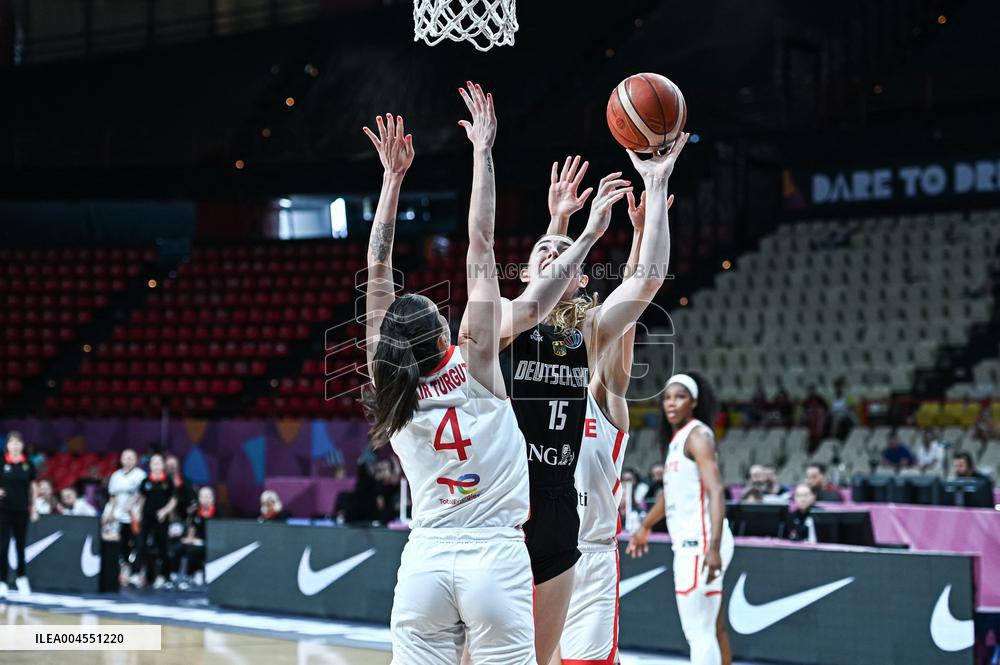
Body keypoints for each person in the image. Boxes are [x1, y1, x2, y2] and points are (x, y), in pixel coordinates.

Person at [488, 130, 687, 663]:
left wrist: (656, 178)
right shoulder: (501, 326)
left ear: (578, 279)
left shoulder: (590, 342)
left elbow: (645, 283)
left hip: (573, 540)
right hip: (501, 528)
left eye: (565, 259)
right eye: (542, 256)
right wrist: (559, 226)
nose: (555, 259)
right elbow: (536, 298)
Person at [361, 84, 535, 664]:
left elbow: (378, 265)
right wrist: (483, 150)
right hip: (495, 561)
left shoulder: (390, 384)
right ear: (444, 336)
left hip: (426, 562)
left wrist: (390, 182)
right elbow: (480, 245)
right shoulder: (477, 363)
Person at [558, 186, 674, 664]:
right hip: (530, 548)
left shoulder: (605, 393)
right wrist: (559, 225)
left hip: (588, 555)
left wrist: (642, 231)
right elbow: (539, 299)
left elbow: (633, 304)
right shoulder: (528, 385)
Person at [628, 373, 733, 665]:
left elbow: (715, 490)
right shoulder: (678, 441)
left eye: (680, 396)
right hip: (696, 542)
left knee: (698, 631)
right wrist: (646, 526)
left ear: (695, 402)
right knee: (711, 627)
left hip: (700, 543)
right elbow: (670, 495)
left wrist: (713, 548)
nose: (671, 403)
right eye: (667, 397)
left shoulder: (698, 436)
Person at [0, 431, 38, 597]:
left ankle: (21, 579)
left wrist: (34, 508)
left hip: (22, 510)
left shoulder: (28, 464)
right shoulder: (1, 462)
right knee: (3, 546)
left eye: (18, 443)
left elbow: (33, 487)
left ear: (22, 446)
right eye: (12, 442)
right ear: (7, 445)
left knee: (21, 546)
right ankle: (2, 582)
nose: (15, 446)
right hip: (3, 510)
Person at [136, 453, 176, 588]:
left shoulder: (168, 481)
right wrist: (139, 514)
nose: (157, 465)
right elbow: (141, 499)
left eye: (159, 462)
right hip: (147, 517)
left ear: (162, 465)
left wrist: (165, 511)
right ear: (151, 465)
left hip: (161, 518)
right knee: (141, 545)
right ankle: (139, 574)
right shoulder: (145, 481)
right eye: (154, 463)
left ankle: (163, 576)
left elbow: (173, 500)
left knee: (162, 547)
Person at [107, 448, 146, 583]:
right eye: (126, 458)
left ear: (135, 460)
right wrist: (111, 512)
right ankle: (125, 569)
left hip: (134, 517)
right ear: (121, 460)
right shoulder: (115, 476)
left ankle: (136, 572)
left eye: (131, 458)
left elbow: (142, 496)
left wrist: (138, 511)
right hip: (119, 516)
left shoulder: (140, 475)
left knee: (138, 544)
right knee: (122, 545)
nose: (128, 460)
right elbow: (112, 497)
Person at [177, 486, 215, 589]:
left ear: (212, 498)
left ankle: (192, 574)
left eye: (208, 496)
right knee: (180, 547)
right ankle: (174, 575)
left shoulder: (218, 513)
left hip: (212, 542)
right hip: (198, 541)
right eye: (202, 496)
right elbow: (192, 528)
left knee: (193, 550)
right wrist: (189, 538)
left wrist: (198, 541)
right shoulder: (196, 512)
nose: (205, 499)